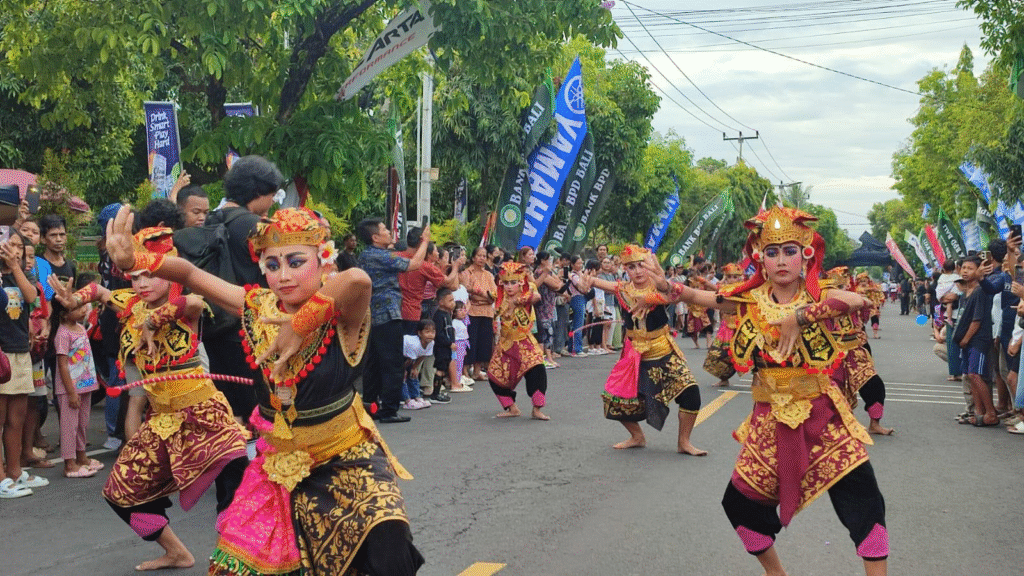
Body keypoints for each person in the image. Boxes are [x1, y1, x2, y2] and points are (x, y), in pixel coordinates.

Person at [104, 206, 424, 575]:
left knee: (387, 547)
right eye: (272, 266)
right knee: (239, 567)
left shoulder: (343, 313)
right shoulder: (258, 307)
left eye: (296, 261)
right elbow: (190, 274)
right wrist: (136, 260)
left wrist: (302, 323)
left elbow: (357, 280)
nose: (283, 276)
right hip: (276, 464)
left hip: (344, 456)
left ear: (323, 261)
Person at [676, 207, 886, 575]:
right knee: (738, 507)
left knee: (866, 504)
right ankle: (777, 574)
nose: (781, 260)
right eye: (772, 252)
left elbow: (857, 301)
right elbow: (704, 297)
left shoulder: (820, 294)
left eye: (790, 250)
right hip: (769, 422)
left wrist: (800, 316)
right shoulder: (750, 300)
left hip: (824, 418)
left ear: (805, 255)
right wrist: (669, 288)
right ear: (760, 258)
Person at [52, 226, 250, 571]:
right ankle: (175, 551)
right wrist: (75, 299)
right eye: (135, 276)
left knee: (233, 491)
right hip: (161, 421)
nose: (142, 283)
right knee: (120, 493)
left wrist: (155, 319)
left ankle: (234, 561)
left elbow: (194, 302)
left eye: (151, 275)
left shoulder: (183, 303)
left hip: (204, 415)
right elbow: (99, 290)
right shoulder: (129, 302)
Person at [581, 245, 705, 455]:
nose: (638, 271)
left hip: (663, 350)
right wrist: (587, 281)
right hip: (636, 354)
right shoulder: (623, 289)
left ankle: (684, 442)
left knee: (691, 393)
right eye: (631, 267)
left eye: (641, 266)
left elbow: (673, 295)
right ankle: (637, 436)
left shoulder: (660, 286)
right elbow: (594, 282)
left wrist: (652, 298)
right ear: (624, 269)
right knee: (615, 400)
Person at [358, 217, 430, 423]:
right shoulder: (379, 256)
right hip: (387, 313)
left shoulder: (367, 255)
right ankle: (389, 409)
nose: (389, 232)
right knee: (392, 363)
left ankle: (371, 406)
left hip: (372, 314)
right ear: (375, 237)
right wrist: (424, 241)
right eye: (384, 229)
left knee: (373, 363)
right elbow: (415, 264)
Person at [0, 231, 48, 498]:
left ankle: (15, 472)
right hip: (1, 353)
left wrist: (15, 266)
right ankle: (0, 478)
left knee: (16, 419)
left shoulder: (22, 275)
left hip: (20, 351)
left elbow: (31, 297)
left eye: (19, 246)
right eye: (10, 244)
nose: (14, 250)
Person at [825, 267, 894, 436]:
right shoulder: (822, 302)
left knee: (875, 385)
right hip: (832, 353)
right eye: (839, 286)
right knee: (833, 391)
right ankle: (837, 426)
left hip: (857, 350)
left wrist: (863, 301)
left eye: (845, 284)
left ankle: (874, 424)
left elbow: (865, 317)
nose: (844, 288)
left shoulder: (856, 298)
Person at [50, 280, 103, 478]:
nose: (82, 310)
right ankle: (69, 464)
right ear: (64, 313)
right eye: (77, 307)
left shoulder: (80, 328)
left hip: (85, 386)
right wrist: (71, 392)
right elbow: (63, 364)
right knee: (69, 426)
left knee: (82, 424)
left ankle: (82, 457)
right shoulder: (63, 334)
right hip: (70, 389)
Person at [488, 262, 549, 420]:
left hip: (525, 342)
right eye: (506, 283)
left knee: (537, 369)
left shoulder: (526, 294)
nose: (509, 287)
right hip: (505, 344)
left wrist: (522, 300)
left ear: (520, 282)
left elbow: (537, 296)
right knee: (495, 375)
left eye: (513, 282)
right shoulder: (500, 296)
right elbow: (487, 296)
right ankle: (512, 408)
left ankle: (536, 409)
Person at [954, 254, 1000, 426]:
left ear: (979, 270)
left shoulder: (980, 291)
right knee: (971, 376)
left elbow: (977, 320)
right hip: (966, 342)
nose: (965, 271)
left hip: (978, 340)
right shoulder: (967, 291)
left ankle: (990, 413)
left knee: (976, 375)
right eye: (964, 268)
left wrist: (966, 339)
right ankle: (978, 412)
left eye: (970, 268)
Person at [703, 263, 744, 387]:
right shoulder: (723, 288)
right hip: (725, 326)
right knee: (719, 353)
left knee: (746, 354)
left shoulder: (743, 288)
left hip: (740, 326)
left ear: (740, 278)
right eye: (729, 277)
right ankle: (724, 378)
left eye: (735, 277)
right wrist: (705, 282)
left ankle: (757, 379)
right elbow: (715, 289)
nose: (732, 279)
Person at [460, 246, 497, 380]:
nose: (482, 258)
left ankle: (477, 371)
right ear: (473, 257)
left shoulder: (488, 275)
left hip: (487, 311)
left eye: (484, 256)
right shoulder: (467, 273)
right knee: (471, 341)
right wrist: (481, 295)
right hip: (472, 311)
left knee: (484, 342)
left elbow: (494, 294)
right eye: (479, 255)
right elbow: (467, 291)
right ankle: (464, 371)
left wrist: (481, 294)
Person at [401, 319, 436, 410]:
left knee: (414, 375)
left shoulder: (431, 343)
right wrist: (403, 370)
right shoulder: (414, 344)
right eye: (427, 332)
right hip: (399, 355)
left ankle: (416, 397)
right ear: (420, 333)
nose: (430, 335)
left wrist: (415, 368)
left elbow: (423, 355)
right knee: (402, 377)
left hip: (409, 358)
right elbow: (409, 360)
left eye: (433, 332)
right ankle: (407, 401)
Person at [447, 298, 473, 393]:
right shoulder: (454, 323)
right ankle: (456, 380)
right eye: (460, 310)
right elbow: (453, 334)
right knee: (457, 363)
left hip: (463, 343)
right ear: (454, 312)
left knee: (461, 363)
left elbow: (467, 319)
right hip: (457, 344)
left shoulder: (463, 321)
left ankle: (458, 379)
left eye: (464, 310)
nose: (463, 312)